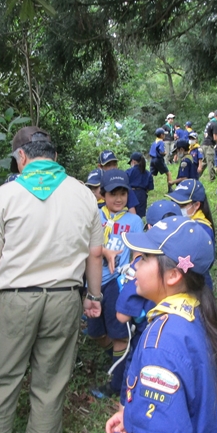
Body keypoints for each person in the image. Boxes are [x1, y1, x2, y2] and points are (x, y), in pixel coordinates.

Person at [0, 126, 103, 433]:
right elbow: (95, 253)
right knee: (50, 390)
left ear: (21, 158)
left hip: (13, 303)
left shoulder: (7, 195)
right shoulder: (84, 194)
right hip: (64, 301)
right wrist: (94, 296)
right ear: (55, 157)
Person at [104, 217, 217, 433]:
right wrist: (132, 415)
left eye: (143, 259)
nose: (135, 267)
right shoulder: (193, 313)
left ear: (174, 275)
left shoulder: (162, 344)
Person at [113, 200, 181, 407]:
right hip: (174, 347)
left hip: (145, 336)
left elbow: (122, 316)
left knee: (136, 375)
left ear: (149, 228)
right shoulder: (190, 267)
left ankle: (127, 410)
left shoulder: (140, 270)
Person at [88, 169, 144, 399]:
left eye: (123, 193)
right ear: (102, 194)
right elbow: (81, 243)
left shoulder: (134, 221)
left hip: (117, 282)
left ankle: (117, 381)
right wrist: (103, 251)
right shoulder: (93, 216)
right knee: (95, 332)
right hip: (93, 280)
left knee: (119, 332)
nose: (119, 198)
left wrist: (134, 276)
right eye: (113, 193)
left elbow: (138, 252)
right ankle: (119, 355)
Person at [167, 179, 216, 290]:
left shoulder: (201, 229)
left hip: (196, 284)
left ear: (196, 205)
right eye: (175, 203)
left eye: (182, 205)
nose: (177, 207)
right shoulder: (186, 222)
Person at [126, 152, 154, 218]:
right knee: (139, 217)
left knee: (129, 215)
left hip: (130, 193)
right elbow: (150, 187)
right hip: (142, 195)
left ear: (133, 161)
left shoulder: (129, 172)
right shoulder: (147, 173)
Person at [149, 128, 173, 192]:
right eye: (164, 134)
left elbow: (151, 152)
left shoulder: (154, 142)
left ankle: (146, 187)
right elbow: (161, 151)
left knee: (151, 175)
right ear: (161, 135)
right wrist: (165, 153)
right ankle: (170, 189)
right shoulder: (161, 142)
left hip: (152, 160)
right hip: (158, 160)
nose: (164, 136)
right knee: (168, 173)